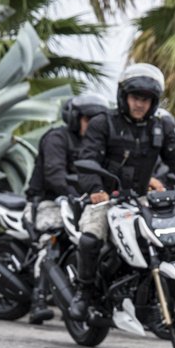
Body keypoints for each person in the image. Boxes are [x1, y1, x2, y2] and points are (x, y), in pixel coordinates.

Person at [72, 64, 175, 320]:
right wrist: (96, 190)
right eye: (135, 97)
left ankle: (152, 291)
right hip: (106, 198)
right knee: (90, 238)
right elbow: (87, 158)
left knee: (172, 235)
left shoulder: (160, 127)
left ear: (153, 102)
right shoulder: (103, 123)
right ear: (124, 97)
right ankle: (84, 292)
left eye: (146, 99)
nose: (140, 104)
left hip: (141, 198)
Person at [23, 93, 108, 324]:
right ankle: (39, 299)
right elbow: (54, 174)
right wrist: (79, 195)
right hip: (47, 201)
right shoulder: (57, 138)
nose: (93, 124)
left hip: (81, 203)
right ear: (74, 118)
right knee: (52, 235)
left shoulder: (97, 143)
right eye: (88, 119)